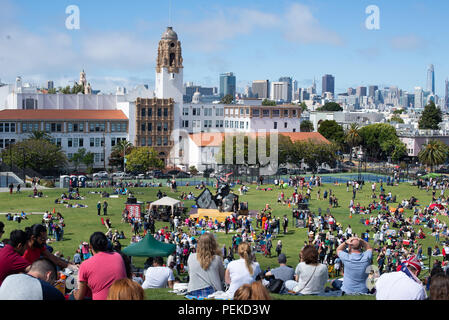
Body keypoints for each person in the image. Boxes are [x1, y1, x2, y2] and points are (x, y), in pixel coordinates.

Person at [74, 232, 127, 300]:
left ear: (90, 246)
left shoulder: (84, 265)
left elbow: (79, 297)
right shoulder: (118, 256)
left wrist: (75, 293)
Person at [0, 258, 65, 300]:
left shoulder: (9, 278)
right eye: (52, 283)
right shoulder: (46, 289)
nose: (51, 285)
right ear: (48, 275)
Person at [187, 233, 225, 298]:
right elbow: (222, 277)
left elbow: (190, 273)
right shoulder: (217, 259)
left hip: (193, 290)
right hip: (212, 291)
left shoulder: (191, 257)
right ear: (213, 244)